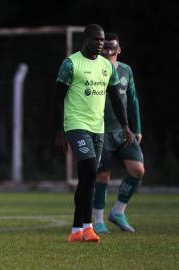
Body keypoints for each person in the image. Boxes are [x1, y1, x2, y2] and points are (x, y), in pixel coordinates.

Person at [54, 24, 133, 243]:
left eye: (103, 40)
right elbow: (58, 98)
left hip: (99, 128)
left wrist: (126, 125)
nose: (101, 44)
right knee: (89, 168)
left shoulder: (106, 66)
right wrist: (59, 131)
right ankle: (88, 227)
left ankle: (76, 230)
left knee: (87, 177)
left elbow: (116, 99)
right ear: (86, 40)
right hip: (76, 125)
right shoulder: (71, 64)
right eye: (97, 40)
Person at [92, 33, 144, 234]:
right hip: (100, 131)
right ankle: (98, 220)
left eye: (113, 49)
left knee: (137, 170)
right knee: (103, 175)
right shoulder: (93, 71)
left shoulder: (125, 70)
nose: (109, 53)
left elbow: (132, 100)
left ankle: (118, 212)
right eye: (105, 49)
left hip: (124, 131)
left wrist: (136, 128)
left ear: (119, 50)